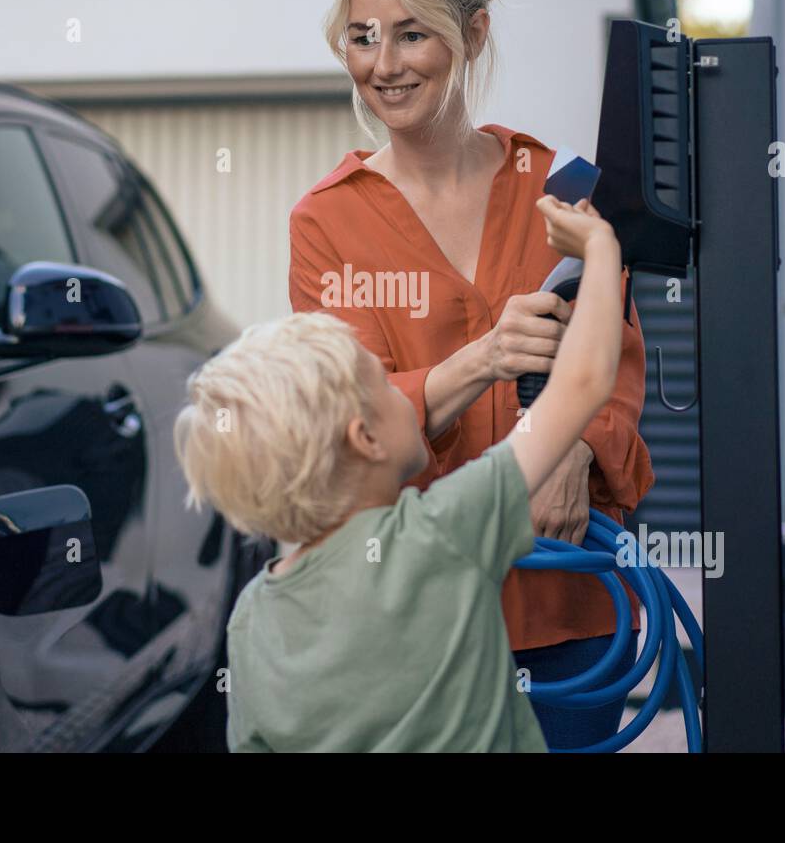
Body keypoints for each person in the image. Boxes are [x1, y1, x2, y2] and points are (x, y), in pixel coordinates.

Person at [286, 0, 654, 748]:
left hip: (567, 607)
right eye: (363, 37)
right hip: (411, 621)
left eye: (412, 33)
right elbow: (353, 426)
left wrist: (576, 450)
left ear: (472, 35)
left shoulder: (558, 188)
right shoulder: (326, 223)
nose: (385, 65)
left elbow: (617, 361)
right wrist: (485, 357)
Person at [174, 194, 625, 751]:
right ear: (364, 438)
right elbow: (584, 382)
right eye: (382, 385)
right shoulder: (440, 532)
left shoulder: (251, 617)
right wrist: (600, 250)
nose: (403, 389)